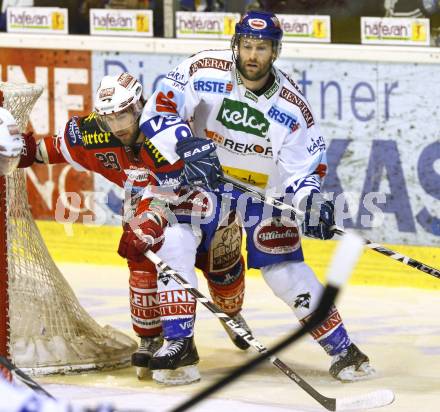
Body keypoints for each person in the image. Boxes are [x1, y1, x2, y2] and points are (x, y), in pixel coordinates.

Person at [139, 10, 375, 381]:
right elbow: (157, 110)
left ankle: (345, 351)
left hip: (263, 193)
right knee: (174, 239)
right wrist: (186, 145)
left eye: (261, 48)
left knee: (285, 272)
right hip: (204, 181)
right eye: (246, 45)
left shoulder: (292, 107)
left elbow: (304, 170)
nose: (252, 55)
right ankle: (180, 345)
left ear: (275, 52)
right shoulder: (204, 69)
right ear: (236, 45)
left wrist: (309, 200)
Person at [0, 72, 252, 385]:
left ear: (138, 106)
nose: (117, 126)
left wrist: (149, 222)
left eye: (123, 115)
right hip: (156, 206)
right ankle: (154, 338)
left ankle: (231, 312)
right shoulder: (90, 133)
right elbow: (45, 150)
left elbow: (174, 187)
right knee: (143, 262)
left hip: (205, 203)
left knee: (224, 274)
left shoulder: (163, 128)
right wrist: (14, 150)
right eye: (109, 118)